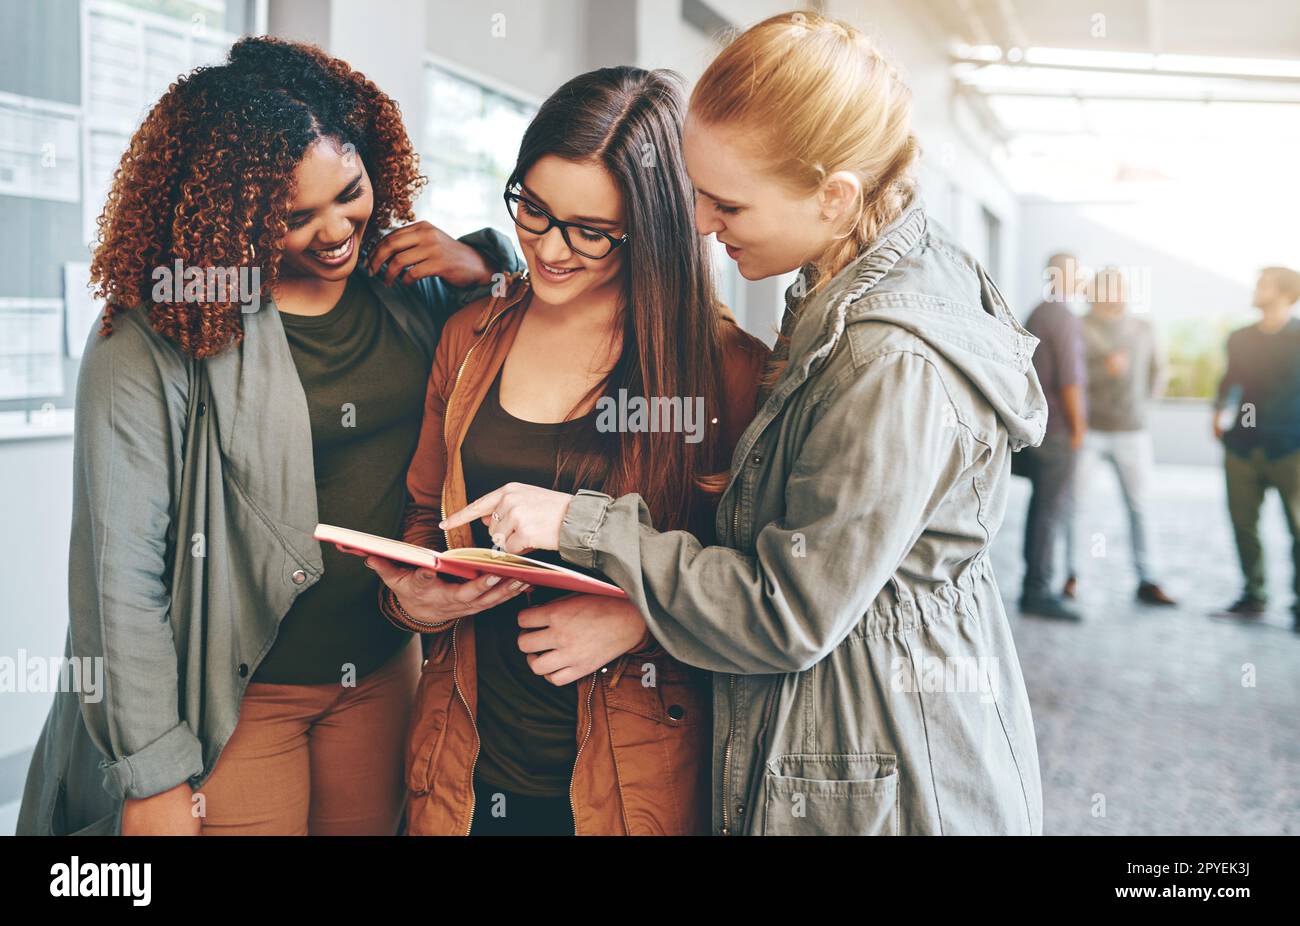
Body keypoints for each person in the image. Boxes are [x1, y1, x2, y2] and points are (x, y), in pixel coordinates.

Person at [441, 12, 1046, 836]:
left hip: (880, 775)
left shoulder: (891, 363)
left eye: (726, 203)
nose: (695, 223)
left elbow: (787, 609)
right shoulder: (853, 287)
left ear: (836, 197)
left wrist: (586, 528)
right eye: (695, 192)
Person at [17, 37, 520, 836]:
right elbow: (118, 577)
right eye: (293, 217)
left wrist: (491, 269)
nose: (335, 232)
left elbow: (546, 341)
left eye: (350, 192)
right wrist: (151, 773)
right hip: (235, 698)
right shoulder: (159, 332)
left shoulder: (411, 284)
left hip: (380, 670)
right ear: (231, 213)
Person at [367, 67, 769, 835]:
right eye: (534, 210)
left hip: (633, 777)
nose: (549, 250)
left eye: (591, 232)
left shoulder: (726, 370)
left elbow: (763, 583)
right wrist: (412, 598)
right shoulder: (472, 335)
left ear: (651, 229)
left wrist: (640, 620)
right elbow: (425, 512)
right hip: (465, 767)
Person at [1067, 266, 1177, 606]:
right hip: (1088, 431)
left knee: (1141, 506)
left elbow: (1158, 371)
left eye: (1122, 287)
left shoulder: (1144, 328)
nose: (1120, 293)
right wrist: (1103, 371)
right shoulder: (1078, 327)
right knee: (1074, 505)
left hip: (1132, 430)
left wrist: (1146, 408)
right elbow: (1069, 376)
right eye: (1113, 287)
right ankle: (1070, 575)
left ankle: (1149, 579)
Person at [1214, 265, 1300, 628]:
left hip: (1291, 447)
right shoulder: (1240, 338)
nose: (1255, 289)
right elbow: (1230, 380)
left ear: (1283, 293)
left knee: (1298, 527)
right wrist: (1218, 414)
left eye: (1262, 285)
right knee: (1243, 525)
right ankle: (1254, 595)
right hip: (1243, 446)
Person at [1020, 253, 1088, 621]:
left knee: (1043, 510)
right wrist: (1079, 429)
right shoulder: (1061, 315)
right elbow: (1070, 380)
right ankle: (1038, 591)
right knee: (1050, 511)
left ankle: (1036, 587)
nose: (1080, 279)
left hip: (1041, 424)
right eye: (1076, 273)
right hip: (1058, 429)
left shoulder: (1039, 311)